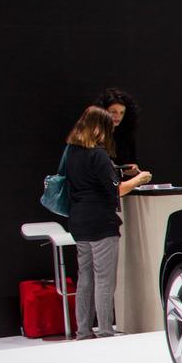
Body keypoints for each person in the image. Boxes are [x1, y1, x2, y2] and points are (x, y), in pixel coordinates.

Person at [64, 106, 152, 339]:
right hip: (101, 221)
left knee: (85, 277)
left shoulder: (72, 152)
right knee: (104, 278)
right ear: (100, 129)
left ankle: (83, 331)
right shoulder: (98, 154)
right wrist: (139, 179)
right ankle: (104, 330)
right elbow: (116, 190)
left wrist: (119, 170)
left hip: (78, 220)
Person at [94, 87, 139, 179]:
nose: (118, 116)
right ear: (103, 111)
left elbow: (132, 162)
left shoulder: (126, 135)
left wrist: (133, 168)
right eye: (113, 112)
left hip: (121, 183)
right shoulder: (95, 135)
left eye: (122, 113)